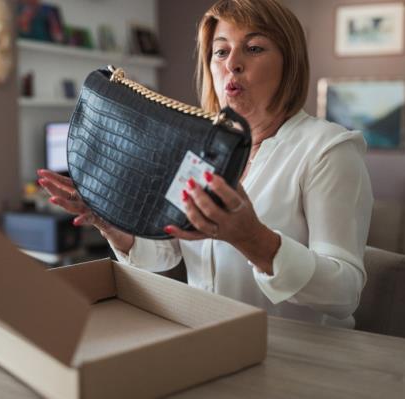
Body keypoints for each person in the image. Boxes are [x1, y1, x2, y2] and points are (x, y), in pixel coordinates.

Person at [38, 0, 373, 328]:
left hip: (302, 363)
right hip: (208, 342)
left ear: (291, 63)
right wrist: (108, 223)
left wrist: (253, 240)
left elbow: (344, 293)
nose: (233, 64)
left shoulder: (329, 149)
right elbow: (165, 253)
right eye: (221, 51)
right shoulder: (198, 150)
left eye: (254, 48)